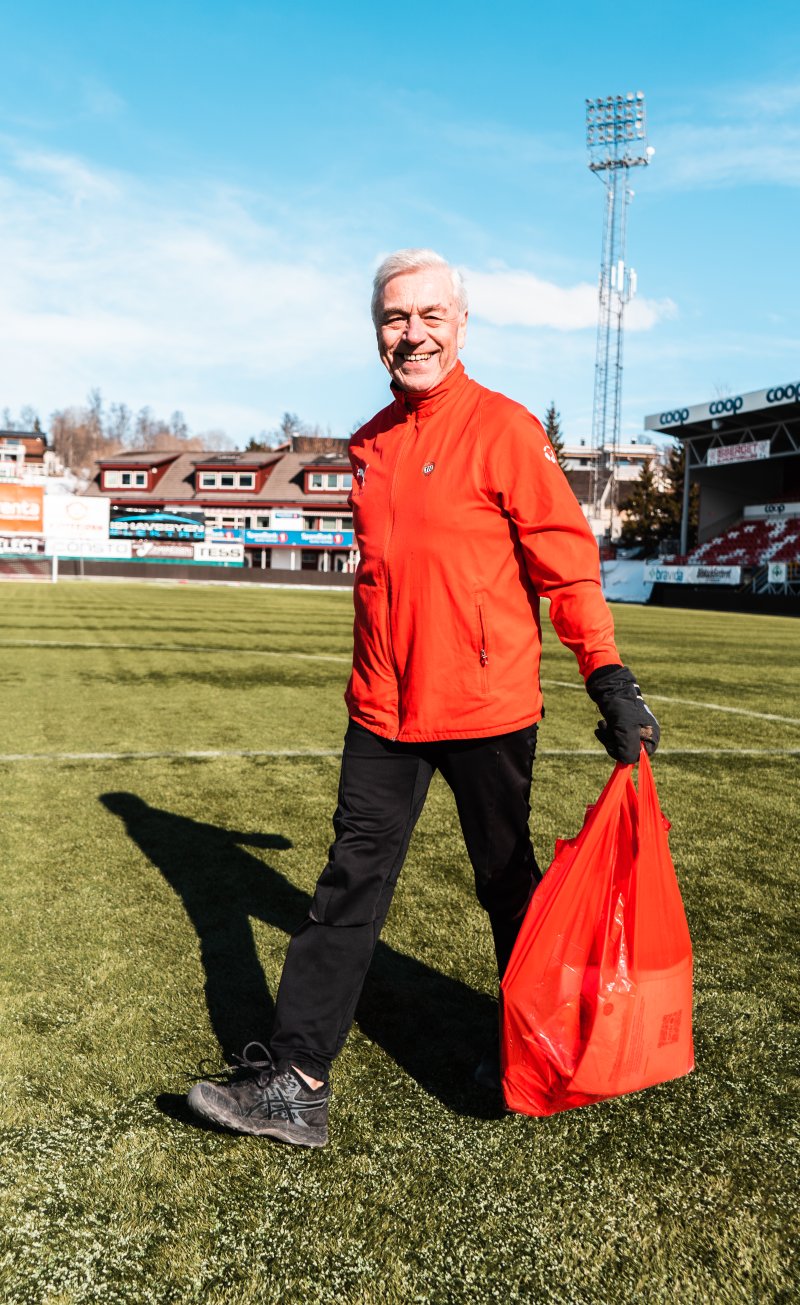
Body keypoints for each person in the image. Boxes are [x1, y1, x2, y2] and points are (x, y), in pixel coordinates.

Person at [187, 248, 659, 1147]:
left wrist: (607, 674)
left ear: (462, 325)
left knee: (506, 882)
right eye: (396, 319)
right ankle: (296, 1084)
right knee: (346, 884)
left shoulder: (508, 431)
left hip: (487, 705)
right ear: (378, 334)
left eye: (430, 316)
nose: (413, 334)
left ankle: (538, 1047)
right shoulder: (368, 444)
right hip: (383, 708)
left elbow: (566, 563)